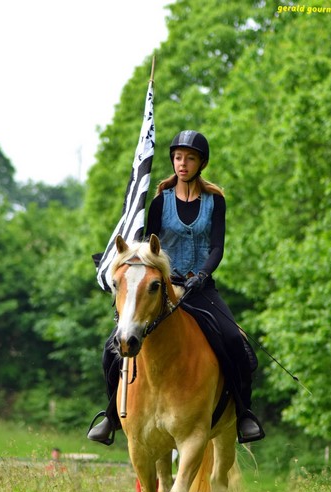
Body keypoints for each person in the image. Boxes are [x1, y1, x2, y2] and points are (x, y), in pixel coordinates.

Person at [88, 130, 265, 445]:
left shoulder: (215, 201)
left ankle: (243, 413)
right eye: (178, 157)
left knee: (234, 341)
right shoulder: (160, 202)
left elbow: (217, 247)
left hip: (202, 288)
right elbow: (147, 247)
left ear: (201, 163)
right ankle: (111, 415)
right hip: (163, 289)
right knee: (110, 350)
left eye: (190, 158)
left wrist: (203, 274)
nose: (183, 163)